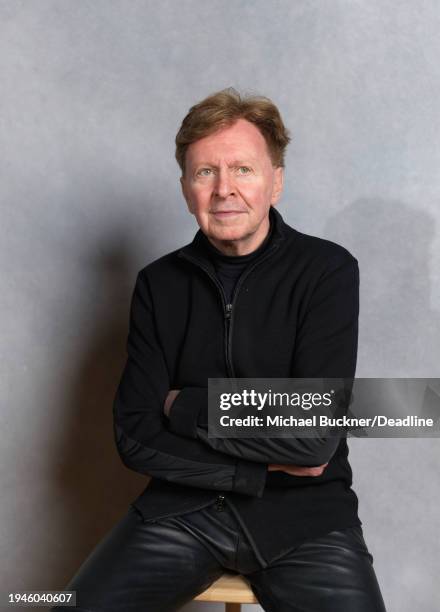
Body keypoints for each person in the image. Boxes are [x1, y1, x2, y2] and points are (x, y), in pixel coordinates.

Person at [51, 88, 386, 611]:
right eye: (205, 172)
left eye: (243, 170)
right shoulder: (158, 285)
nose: (224, 189)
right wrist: (249, 472)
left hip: (307, 520)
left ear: (276, 181)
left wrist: (183, 406)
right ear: (186, 187)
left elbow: (315, 441)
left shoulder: (328, 271)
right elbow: (135, 436)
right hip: (181, 513)